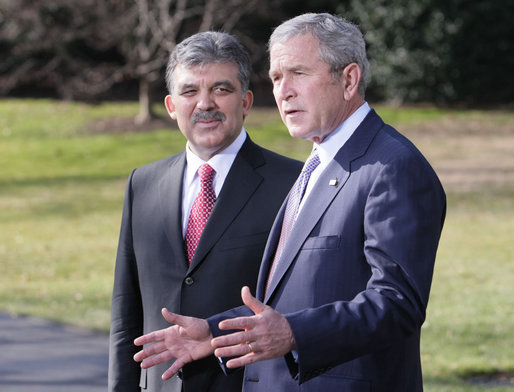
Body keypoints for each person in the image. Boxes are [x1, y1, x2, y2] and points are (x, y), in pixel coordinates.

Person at [133, 13, 447, 392]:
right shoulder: (317, 163)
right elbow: (289, 296)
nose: (283, 91)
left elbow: (397, 305)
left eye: (298, 73)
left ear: (348, 80)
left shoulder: (392, 167)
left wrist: (294, 333)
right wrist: (212, 333)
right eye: (277, 77)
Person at [108, 31, 302, 392]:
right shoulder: (143, 184)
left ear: (245, 101)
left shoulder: (293, 184)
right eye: (190, 92)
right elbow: (126, 313)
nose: (205, 104)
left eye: (221, 89)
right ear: (170, 106)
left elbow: (301, 307)